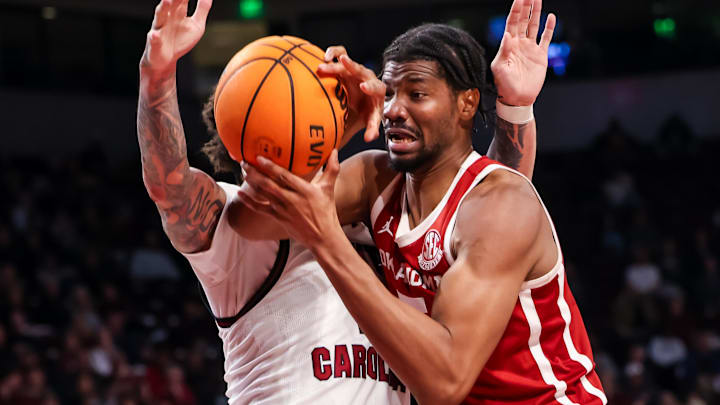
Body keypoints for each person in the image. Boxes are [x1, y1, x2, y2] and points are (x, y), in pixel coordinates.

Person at [135, 0, 536, 403]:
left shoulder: (379, 214)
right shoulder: (243, 231)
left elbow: (483, 216)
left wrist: (515, 109)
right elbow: (172, 189)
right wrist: (157, 79)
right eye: (261, 157)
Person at [238, 0, 608, 404]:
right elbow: (249, 221)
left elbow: (443, 384)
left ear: (466, 103)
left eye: (416, 93)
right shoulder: (374, 178)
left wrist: (328, 238)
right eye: (390, 92)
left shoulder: (501, 204)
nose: (395, 109)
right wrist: (344, 122)